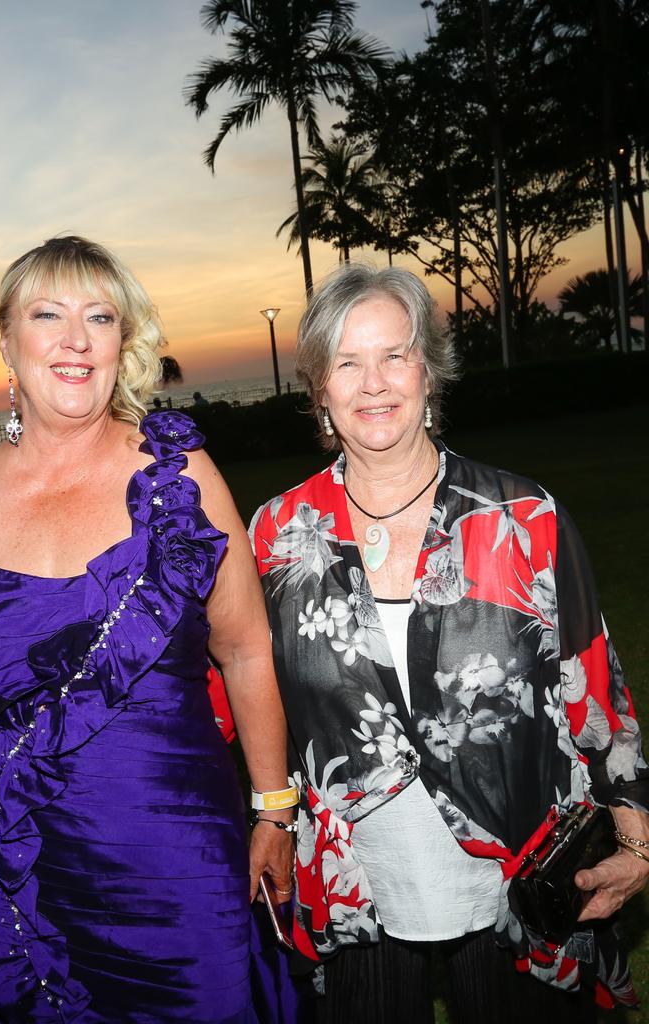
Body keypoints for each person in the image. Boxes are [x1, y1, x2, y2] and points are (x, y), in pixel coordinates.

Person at [0, 235, 295, 1023]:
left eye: (100, 317)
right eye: (48, 314)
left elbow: (246, 650)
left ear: (123, 342)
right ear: (7, 341)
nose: (76, 339)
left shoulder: (180, 479)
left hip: (178, 869)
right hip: (9, 868)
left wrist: (274, 810)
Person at [249, 263, 649, 1023]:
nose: (374, 383)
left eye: (394, 355)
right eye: (347, 362)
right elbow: (244, 694)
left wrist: (637, 843)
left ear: (429, 371)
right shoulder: (274, 535)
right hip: (357, 883)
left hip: (519, 867)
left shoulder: (523, 516)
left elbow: (598, 689)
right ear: (320, 391)